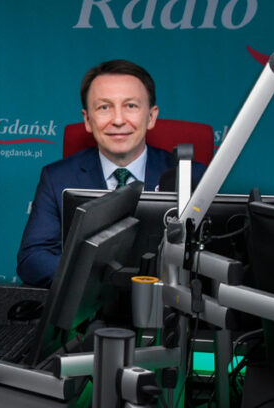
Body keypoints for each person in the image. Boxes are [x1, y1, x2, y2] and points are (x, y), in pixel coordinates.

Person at [16, 59, 206, 288]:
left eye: (131, 106)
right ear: (88, 120)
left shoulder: (193, 178)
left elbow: (213, 260)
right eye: (104, 107)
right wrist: (100, 282)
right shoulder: (57, 178)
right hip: (86, 305)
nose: (117, 120)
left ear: (151, 117)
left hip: (166, 304)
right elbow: (33, 259)